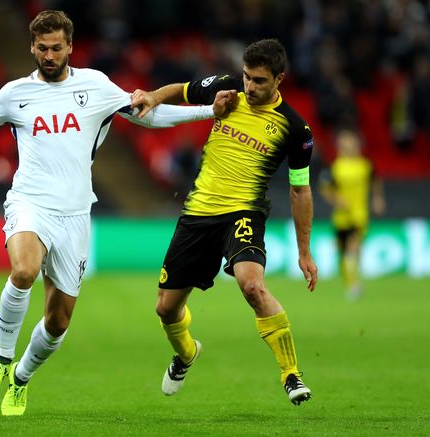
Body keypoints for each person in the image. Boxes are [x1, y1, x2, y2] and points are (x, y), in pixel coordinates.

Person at [0, 10, 229, 416]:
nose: (49, 55)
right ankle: (1, 360)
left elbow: (149, 115)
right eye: (42, 48)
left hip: (75, 213)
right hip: (30, 201)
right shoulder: (15, 93)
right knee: (23, 270)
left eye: (56, 48)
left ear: (70, 47)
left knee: (58, 321)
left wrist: (207, 112)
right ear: (32, 47)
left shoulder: (96, 85)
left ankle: (20, 380)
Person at [131, 38, 318, 406]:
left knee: (252, 287)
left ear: (279, 79)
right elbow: (182, 89)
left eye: (259, 81)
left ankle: (291, 374)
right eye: (247, 77)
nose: (249, 87)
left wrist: (304, 251)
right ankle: (186, 354)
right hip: (199, 213)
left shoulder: (296, 129)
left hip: (243, 213)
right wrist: (152, 96)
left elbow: (300, 191)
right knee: (166, 309)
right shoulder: (227, 89)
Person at [319, 129, 385, 301]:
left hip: (359, 214)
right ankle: (351, 283)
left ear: (357, 145)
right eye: (344, 144)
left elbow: (375, 181)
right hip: (341, 216)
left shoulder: (365, 165)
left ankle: (355, 286)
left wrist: (377, 199)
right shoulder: (335, 166)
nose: (348, 147)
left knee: (353, 248)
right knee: (342, 254)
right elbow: (325, 189)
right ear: (340, 146)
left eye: (351, 143)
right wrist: (336, 200)